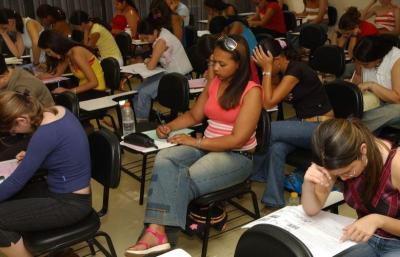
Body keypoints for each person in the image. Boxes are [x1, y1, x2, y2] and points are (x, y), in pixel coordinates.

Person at [124, 34, 262, 256]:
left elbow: (237, 139)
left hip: (236, 156)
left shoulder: (252, 91)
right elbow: (194, 115)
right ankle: (158, 234)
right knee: (164, 160)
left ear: (239, 65)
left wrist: (196, 142)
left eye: (222, 64)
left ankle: (155, 234)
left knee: (182, 176)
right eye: (212, 62)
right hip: (205, 146)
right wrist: (170, 126)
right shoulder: (214, 83)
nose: (215, 68)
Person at [0, 91, 92, 257]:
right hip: (66, 192)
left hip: (71, 203)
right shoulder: (56, 111)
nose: (15, 134)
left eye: (13, 130)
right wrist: (32, 155)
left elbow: (15, 182)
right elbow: (62, 153)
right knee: (9, 200)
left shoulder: (44, 134)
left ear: (22, 120)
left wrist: (33, 154)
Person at [251, 37, 334, 208]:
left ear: (278, 59)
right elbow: (266, 95)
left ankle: (251, 174)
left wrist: (267, 71)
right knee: (277, 147)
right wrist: (269, 71)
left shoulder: (296, 69)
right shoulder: (284, 71)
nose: (263, 70)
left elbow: (268, 102)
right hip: (304, 123)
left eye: (265, 65)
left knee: (267, 130)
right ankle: (274, 200)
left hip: (321, 128)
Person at [302, 118, 400, 256]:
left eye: (348, 171)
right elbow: (311, 209)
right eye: (338, 174)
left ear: (363, 150)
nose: (343, 178)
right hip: (366, 238)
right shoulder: (336, 158)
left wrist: (378, 220)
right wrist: (308, 183)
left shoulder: (396, 164)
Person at [133, 17, 192, 121]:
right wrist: (150, 61)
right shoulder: (163, 33)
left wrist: (149, 61)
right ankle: (139, 117)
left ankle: (142, 124)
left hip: (180, 78)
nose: (146, 41)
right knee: (136, 91)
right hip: (170, 73)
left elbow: (151, 66)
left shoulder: (161, 41)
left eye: (147, 38)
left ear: (155, 32)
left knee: (144, 92)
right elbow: (154, 61)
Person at [0, 54, 54, 162]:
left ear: (2, 77)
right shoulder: (9, 76)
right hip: (20, 127)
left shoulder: (24, 86)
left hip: (37, 132)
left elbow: (18, 120)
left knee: (2, 158)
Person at [37, 30, 107, 101]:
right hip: (85, 91)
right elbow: (56, 73)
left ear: (55, 45)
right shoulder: (67, 54)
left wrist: (67, 91)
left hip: (97, 93)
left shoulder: (76, 53)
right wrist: (36, 77)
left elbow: (94, 83)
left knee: (60, 101)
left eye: (49, 52)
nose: (49, 55)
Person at [351, 35, 400, 132]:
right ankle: (355, 129)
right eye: (359, 62)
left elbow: (397, 98)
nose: (362, 66)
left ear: (378, 58)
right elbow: (357, 83)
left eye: (365, 64)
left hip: (395, 104)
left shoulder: (396, 60)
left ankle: (353, 130)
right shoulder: (364, 59)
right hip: (378, 102)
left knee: (396, 110)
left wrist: (371, 85)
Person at [209, 16, 260, 83]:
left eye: (219, 34)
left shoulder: (236, 25)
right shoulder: (227, 30)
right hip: (241, 57)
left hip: (252, 57)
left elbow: (226, 44)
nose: (220, 36)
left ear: (225, 28)